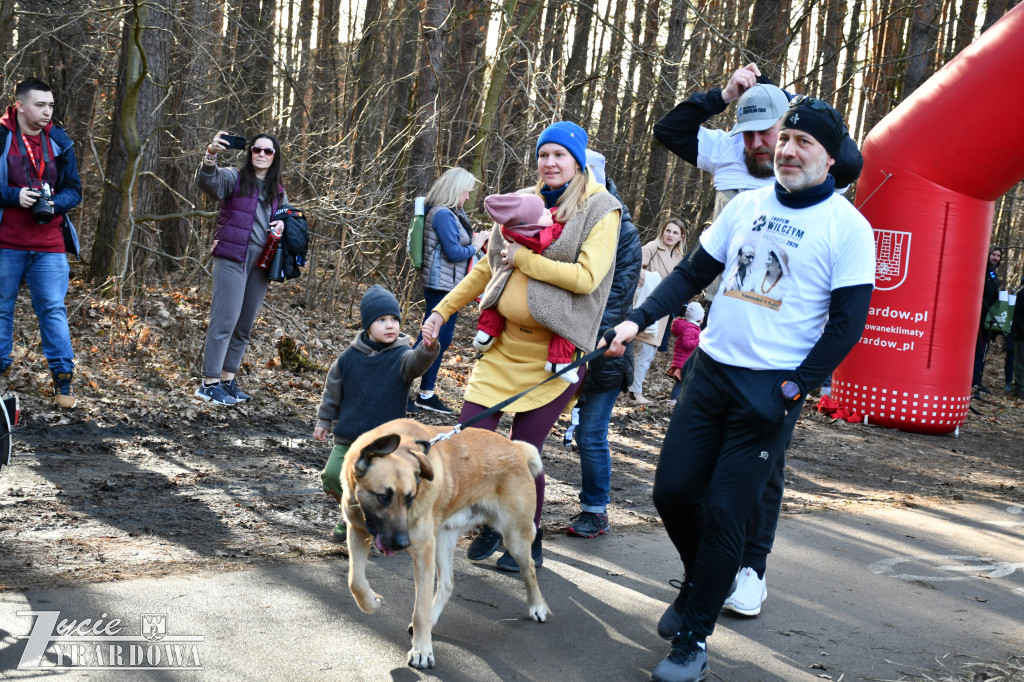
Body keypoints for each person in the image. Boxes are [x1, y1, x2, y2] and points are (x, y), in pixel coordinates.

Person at [604, 96, 876, 681]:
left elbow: (849, 320)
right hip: (710, 373)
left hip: (769, 391)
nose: (788, 150)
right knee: (672, 494)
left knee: (728, 511)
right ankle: (705, 582)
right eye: (785, 141)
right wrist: (635, 319)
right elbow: (692, 274)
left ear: (830, 159)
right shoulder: (746, 205)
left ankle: (694, 638)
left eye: (804, 143)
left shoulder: (847, 227)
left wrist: (797, 387)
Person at [654, 63, 864, 618]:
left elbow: (851, 160)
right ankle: (709, 576)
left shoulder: (835, 208)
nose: (766, 146)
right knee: (682, 487)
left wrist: (800, 386)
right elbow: (671, 133)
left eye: (780, 136)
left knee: (751, 483)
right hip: (726, 331)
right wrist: (719, 95)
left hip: (777, 359)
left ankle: (749, 569)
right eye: (766, 138)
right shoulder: (734, 159)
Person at [422, 121, 620, 571]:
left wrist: (525, 259)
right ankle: (491, 517)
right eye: (543, 155)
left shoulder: (600, 209)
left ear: (578, 161)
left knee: (525, 451)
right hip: (504, 349)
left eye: (560, 156)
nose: (550, 163)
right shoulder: (522, 203)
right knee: (470, 439)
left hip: (556, 355)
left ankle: (527, 538)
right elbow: (486, 269)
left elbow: (587, 278)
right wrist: (442, 311)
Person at [313, 284, 438, 541]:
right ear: (367, 326)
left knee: (382, 487)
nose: (390, 325)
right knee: (332, 477)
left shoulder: (402, 356)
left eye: (394, 319)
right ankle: (353, 514)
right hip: (349, 437)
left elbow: (417, 365)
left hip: (385, 445)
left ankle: (381, 521)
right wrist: (324, 420)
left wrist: (427, 348)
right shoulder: (347, 359)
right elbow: (332, 393)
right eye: (382, 320)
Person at [564, 149, 643, 539]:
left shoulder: (624, 232)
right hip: (556, 344)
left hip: (600, 349)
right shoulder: (561, 214)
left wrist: (594, 340)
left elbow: (618, 297)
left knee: (590, 433)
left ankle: (595, 510)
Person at [0, 79, 82, 408]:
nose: (47, 112)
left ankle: (64, 383)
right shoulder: (2, 137)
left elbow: (74, 190)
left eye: (50, 105)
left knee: (53, 311)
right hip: (6, 242)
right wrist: (13, 196)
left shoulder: (60, 141)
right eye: (40, 105)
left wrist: (52, 202)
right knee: (1, 310)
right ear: (19, 105)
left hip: (49, 244)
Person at [194, 131, 287, 405]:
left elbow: (287, 217)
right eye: (257, 149)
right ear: (250, 153)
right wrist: (211, 154)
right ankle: (209, 383)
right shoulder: (233, 178)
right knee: (225, 320)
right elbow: (207, 181)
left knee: (244, 324)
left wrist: (284, 223)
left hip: (262, 263)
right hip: (233, 257)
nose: (261, 154)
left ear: (274, 157)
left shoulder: (278, 191)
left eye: (268, 151)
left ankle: (227, 379)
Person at [475, 192, 579, 383]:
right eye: (544, 213)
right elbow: (552, 233)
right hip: (543, 298)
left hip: (509, 299)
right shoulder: (541, 236)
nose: (549, 213)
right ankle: (559, 361)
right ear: (533, 225)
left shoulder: (510, 231)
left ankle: (486, 331)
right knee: (566, 321)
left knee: (495, 298)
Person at [411, 167, 489, 414]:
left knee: (438, 339)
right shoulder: (443, 214)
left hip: (449, 284)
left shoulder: (452, 214)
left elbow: (455, 244)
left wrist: (475, 240)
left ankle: (425, 393)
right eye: (466, 191)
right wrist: (475, 246)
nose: (467, 197)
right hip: (440, 285)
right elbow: (454, 252)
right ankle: (397, 383)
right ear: (456, 190)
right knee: (431, 338)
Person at [629, 218, 685, 405]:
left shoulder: (679, 256)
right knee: (642, 350)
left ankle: (633, 389)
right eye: (668, 230)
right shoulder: (652, 247)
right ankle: (634, 391)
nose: (670, 235)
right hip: (645, 303)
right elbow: (633, 267)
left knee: (648, 352)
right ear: (662, 231)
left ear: (681, 236)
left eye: (675, 232)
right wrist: (654, 280)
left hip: (663, 310)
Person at [972, 247, 1002, 395]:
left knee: (981, 352)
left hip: (987, 322)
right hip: (974, 319)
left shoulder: (995, 278)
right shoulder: (978, 271)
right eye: (993, 254)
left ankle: (976, 381)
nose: (995, 258)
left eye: (998, 256)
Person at [667, 302, 704, 406]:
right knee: (681, 383)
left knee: (685, 382)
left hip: (686, 361)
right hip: (684, 363)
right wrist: (700, 340)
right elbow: (687, 344)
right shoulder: (690, 329)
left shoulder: (692, 327)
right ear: (698, 319)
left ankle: (680, 400)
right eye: (702, 317)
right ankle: (674, 400)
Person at [1011, 276, 1024, 398]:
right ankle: (1020, 388)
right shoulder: (1021, 295)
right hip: (1021, 335)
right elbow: (1016, 316)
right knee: (1020, 362)